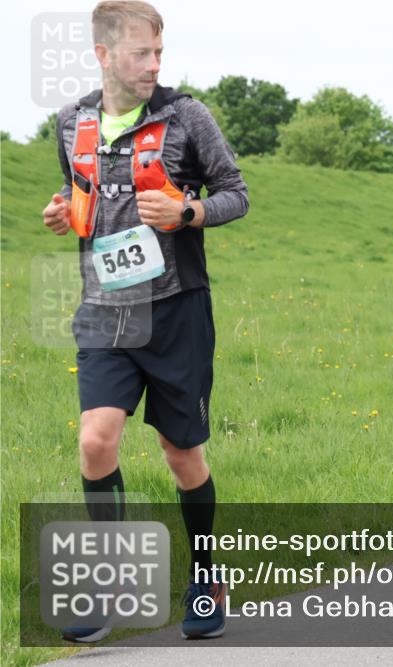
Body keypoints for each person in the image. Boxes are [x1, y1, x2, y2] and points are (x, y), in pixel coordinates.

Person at [41, 0, 248, 640]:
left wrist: (188, 214)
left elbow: (236, 193)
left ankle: (207, 576)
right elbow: (87, 203)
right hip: (104, 311)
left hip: (176, 310)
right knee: (96, 440)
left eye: (159, 51)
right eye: (140, 53)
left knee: (181, 452)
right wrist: (64, 214)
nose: (154, 64)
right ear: (104, 55)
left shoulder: (187, 116)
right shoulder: (71, 122)